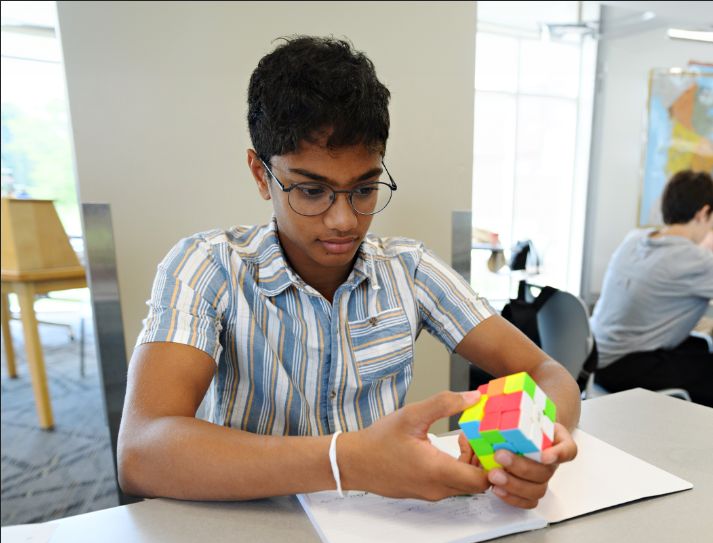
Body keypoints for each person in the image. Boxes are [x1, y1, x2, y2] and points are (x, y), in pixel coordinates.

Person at [117, 36, 579, 508]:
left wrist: (538, 441)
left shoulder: (410, 269)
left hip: (382, 529)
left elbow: (547, 373)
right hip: (252, 526)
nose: (344, 220)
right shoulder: (208, 265)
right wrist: (348, 461)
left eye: (364, 188)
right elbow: (141, 450)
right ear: (261, 174)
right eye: (312, 191)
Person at [591, 170, 713, 406]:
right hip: (627, 366)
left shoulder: (635, 238)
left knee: (698, 347)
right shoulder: (695, 258)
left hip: (593, 359)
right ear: (703, 213)